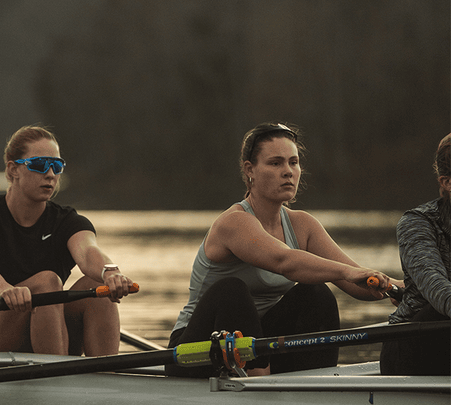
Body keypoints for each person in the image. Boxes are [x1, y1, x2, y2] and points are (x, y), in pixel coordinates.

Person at [167, 122, 399, 377]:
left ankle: (316, 383)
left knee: (317, 295)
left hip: (257, 344)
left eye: (293, 162)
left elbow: (358, 281)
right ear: (250, 171)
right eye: (275, 163)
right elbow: (284, 261)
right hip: (195, 350)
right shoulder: (233, 223)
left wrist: (405, 287)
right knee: (231, 290)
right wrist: (346, 272)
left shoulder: (303, 225)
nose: (288, 171)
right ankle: (259, 383)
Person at [0, 125, 135, 356]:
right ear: (13, 169)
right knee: (46, 283)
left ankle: (106, 381)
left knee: (98, 287)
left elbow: (88, 252)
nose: (50, 174)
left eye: (56, 166)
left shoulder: (67, 220)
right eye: (39, 164)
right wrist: (6, 290)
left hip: (43, 319)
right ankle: (57, 380)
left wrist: (111, 272)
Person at [380, 133, 450, 376]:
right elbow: (437, 289)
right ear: (447, 182)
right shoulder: (418, 223)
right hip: (412, 343)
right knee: (437, 311)